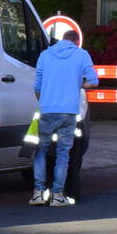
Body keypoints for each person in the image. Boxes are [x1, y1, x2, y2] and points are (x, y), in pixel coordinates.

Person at [29, 30, 98, 207]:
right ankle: (57, 195)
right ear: (76, 42)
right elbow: (93, 81)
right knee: (62, 153)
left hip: (47, 110)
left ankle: (37, 194)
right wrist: (77, 85)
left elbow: (37, 86)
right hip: (68, 111)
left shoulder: (45, 54)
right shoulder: (81, 54)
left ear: (62, 40)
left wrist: (44, 102)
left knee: (41, 151)